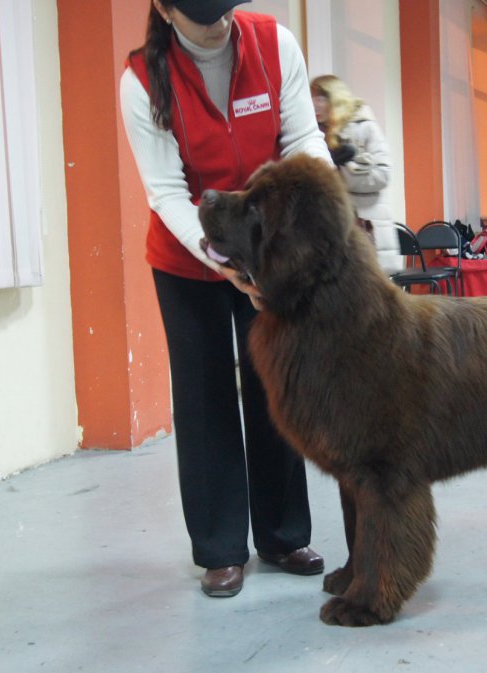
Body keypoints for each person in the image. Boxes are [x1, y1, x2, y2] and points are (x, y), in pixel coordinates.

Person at [119, 0, 330, 597]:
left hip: (270, 251)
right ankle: (219, 549)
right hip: (189, 259)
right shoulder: (142, 79)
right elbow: (164, 190)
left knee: (276, 388)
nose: (217, 24)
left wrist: (315, 208)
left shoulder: (272, 43)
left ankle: (284, 535)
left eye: (223, 10)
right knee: (205, 395)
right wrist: (224, 262)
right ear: (163, 8)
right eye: (200, 14)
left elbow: (303, 139)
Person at [310, 74, 402, 273]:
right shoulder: (313, 135)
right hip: (333, 233)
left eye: (321, 98)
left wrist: (345, 170)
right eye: (312, 98)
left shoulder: (364, 126)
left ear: (335, 98)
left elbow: (383, 174)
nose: (314, 104)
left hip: (367, 228)